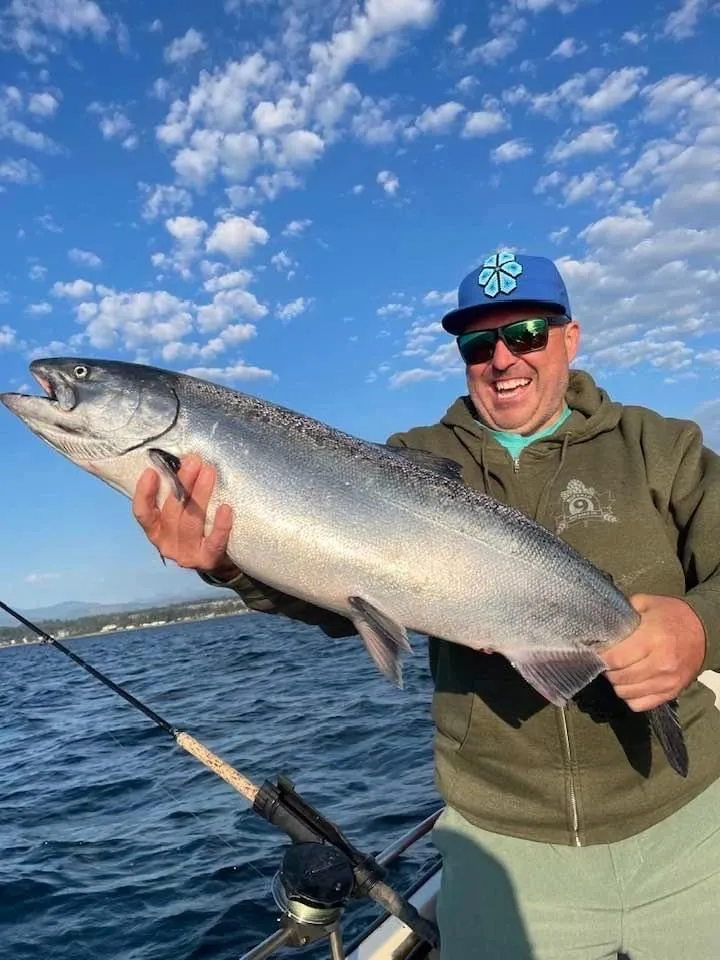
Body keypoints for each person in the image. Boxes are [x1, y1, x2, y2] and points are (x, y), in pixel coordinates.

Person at [132, 252, 720, 959]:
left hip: (691, 823)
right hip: (503, 850)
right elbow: (330, 594)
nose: (503, 358)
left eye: (527, 332)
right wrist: (229, 564)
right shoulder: (404, 463)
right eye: (479, 343)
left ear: (570, 337)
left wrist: (697, 625)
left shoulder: (662, 447)